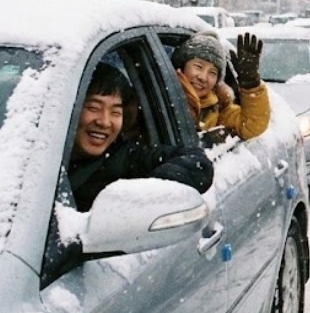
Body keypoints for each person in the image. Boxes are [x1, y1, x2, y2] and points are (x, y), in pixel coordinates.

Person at [68, 64, 214, 211]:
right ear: (69, 108)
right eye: (94, 108)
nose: (104, 122)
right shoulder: (46, 152)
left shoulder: (124, 158)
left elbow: (197, 163)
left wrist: (151, 189)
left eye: (116, 112)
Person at [172, 30, 271, 143]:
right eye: (198, 66)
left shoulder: (218, 110)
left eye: (212, 73)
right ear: (182, 66)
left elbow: (251, 125)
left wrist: (251, 83)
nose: (203, 77)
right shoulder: (162, 96)